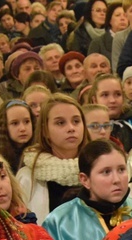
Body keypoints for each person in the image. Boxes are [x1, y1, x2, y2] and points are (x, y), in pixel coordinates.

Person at [43, 139, 132, 240]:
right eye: (106, 172)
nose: (117, 179)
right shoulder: (59, 223)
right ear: (85, 180)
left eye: (121, 169)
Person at [17, 94, 89, 223]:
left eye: (76, 121)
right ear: (45, 130)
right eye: (60, 123)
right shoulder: (27, 176)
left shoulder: (95, 167)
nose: (71, 128)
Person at [0, 99, 36, 173]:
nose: (22, 128)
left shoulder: (42, 152)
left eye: (27, 121)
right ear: (3, 126)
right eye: (15, 123)